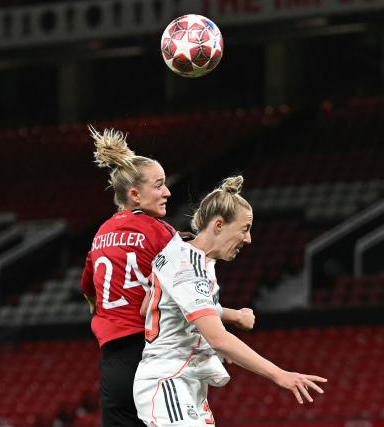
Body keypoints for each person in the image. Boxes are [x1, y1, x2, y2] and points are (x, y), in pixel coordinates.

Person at [81, 128, 255, 427]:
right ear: (135, 194)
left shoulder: (100, 236)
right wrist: (231, 316)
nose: (168, 192)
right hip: (150, 354)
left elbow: (90, 292)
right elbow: (181, 288)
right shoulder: (160, 233)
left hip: (112, 364)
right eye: (159, 185)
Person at [133, 175, 327, 427]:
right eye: (245, 229)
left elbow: (149, 306)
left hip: (186, 383)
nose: (248, 240)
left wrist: (231, 315)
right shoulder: (188, 268)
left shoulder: (183, 251)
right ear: (219, 225)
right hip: (169, 380)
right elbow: (218, 338)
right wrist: (280, 375)